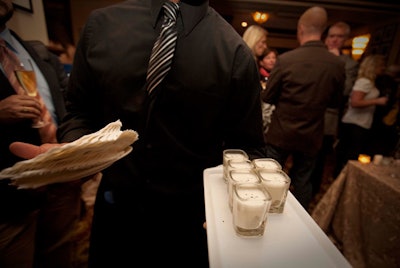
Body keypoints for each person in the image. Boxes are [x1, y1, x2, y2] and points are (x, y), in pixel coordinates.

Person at [9, 0, 267, 266]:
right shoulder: (102, 26)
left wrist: (229, 211)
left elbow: (248, 148)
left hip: (189, 225)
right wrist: (77, 153)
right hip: (115, 217)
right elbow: (78, 111)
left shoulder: (235, 52)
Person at [0, 1, 82, 267]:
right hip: (10, 199)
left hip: (60, 184)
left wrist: (72, 150)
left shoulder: (31, 49)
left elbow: (69, 107)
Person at [261, 6, 345, 211]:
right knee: (303, 182)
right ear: (323, 31)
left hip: (281, 133)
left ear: (300, 29)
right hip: (311, 134)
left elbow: (269, 97)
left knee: (268, 179)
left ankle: (264, 215)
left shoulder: (287, 60)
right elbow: (335, 102)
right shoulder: (336, 64)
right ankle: (298, 225)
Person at [310, 21, 359, 197]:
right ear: (326, 38)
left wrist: (334, 63)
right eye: (332, 36)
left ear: (345, 39)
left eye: (339, 37)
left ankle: (313, 193)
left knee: (319, 158)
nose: (335, 40)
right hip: (307, 115)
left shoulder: (349, 64)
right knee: (302, 157)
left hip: (327, 120)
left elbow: (345, 90)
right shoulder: (315, 56)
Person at [334, 55, 388, 176]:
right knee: (348, 155)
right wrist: (377, 101)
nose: (384, 68)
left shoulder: (370, 82)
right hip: (354, 124)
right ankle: (342, 181)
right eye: (382, 66)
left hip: (359, 123)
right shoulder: (364, 82)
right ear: (374, 67)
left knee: (348, 154)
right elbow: (355, 102)